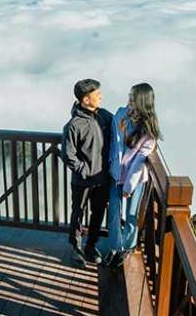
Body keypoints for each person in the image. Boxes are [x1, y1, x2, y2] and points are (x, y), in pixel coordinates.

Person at [103, 83, 161, 268]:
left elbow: (139, 162)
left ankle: (127, 247)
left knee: (131, 215)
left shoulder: (149, 132)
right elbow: (114, 142)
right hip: (116, 173)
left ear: (142, 101)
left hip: (134, 179)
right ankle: (114, 247)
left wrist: (128, 186)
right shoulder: (121, 114)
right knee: (114, 212)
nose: (129, 100)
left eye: (132, 97)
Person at [61, 79, 113, 266]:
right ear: (86, 99)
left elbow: (122, 126)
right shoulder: (73, 125)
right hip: (82, 181)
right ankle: (76, 248)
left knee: (98, 213)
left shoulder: (105, 116)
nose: (101, 97)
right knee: (78, 213)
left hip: (102, 179)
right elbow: (68, 155)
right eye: (97, 95)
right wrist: (84, 170)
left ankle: (91, 246)